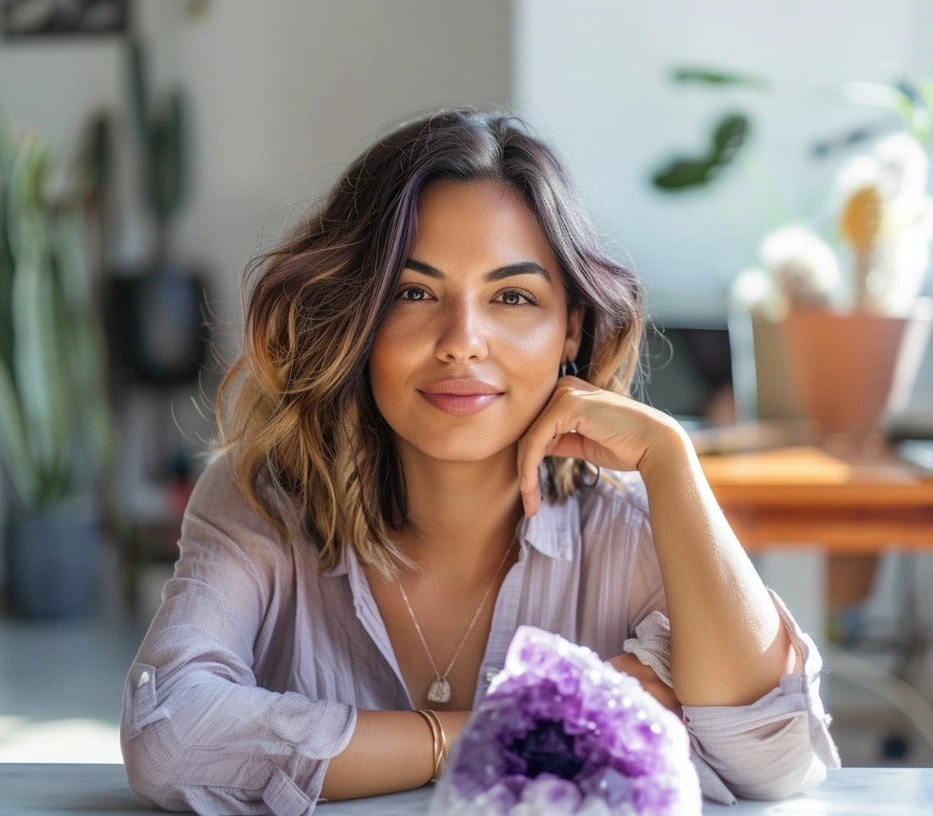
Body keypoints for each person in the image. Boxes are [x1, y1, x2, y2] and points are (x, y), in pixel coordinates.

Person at [121, 108, 840, 816]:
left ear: (573, 330)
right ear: (358, 318)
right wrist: (518, 727)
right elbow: (170, 737)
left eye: (512, 297)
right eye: (414, 292)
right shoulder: (260, 500)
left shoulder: (631, 527)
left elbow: (773, 763)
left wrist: (672, 460)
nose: (462, 341)